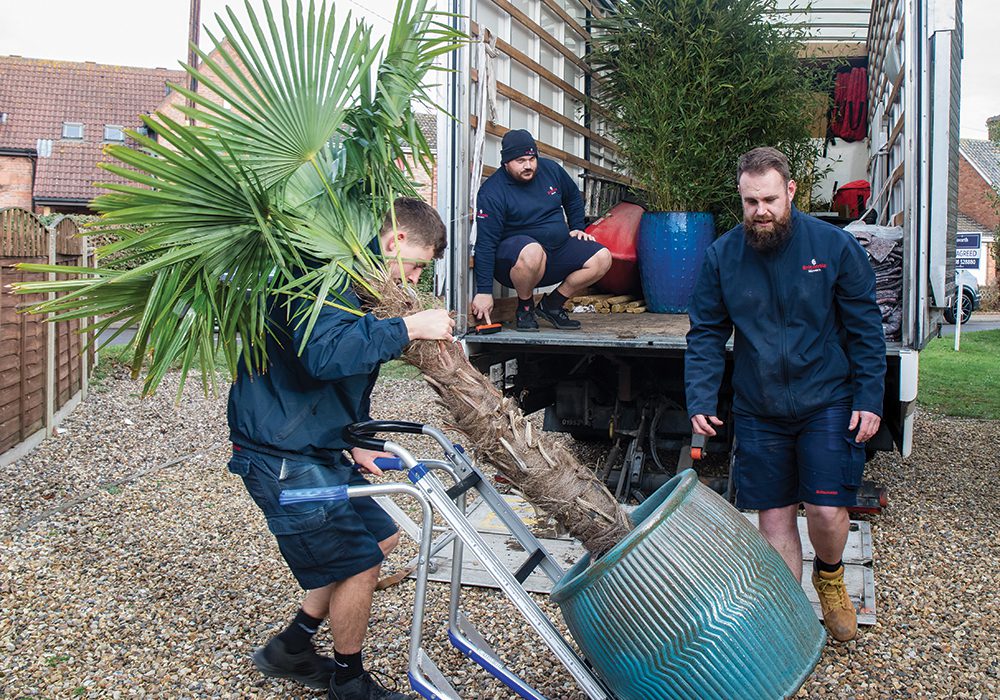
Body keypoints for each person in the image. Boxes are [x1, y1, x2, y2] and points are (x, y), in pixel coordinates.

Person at [226, 197, 453, 699]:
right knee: (356, 562)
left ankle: (292, 646)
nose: (415, 279)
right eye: (416, 266)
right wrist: (408, 327)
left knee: (382, 538)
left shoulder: (357, 281)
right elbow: (322, 358)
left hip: (319, 446)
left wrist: (359, 444)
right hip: (280, 453)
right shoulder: (321, 276)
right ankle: (350, 682)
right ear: (395, 242)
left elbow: (346, 381)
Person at [684, 147, 885, 643]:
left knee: (825, 510)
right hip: (760, 406)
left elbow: (865, 329)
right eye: (751, 202)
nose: (761, 211)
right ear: (741, 197)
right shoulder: (722, 256)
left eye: (770, 199)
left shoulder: (834, 247)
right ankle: (792, 622)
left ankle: (832, 577)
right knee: (773, 518)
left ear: (791, 191)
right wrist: (701, 398)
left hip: (827, 399)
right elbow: (706, 333)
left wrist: (870, 397)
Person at [471, 129, 612, 331]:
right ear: (506, 163)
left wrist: (577, 227)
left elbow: (572, 197)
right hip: (517, 263)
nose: (528, 165)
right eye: (520, 161)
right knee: (533, 251)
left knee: (603, 257)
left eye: (532, 158)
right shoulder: (492, 192)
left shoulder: (551, 170)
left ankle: (552, 306)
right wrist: (484, 291)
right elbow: (485, 244)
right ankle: (525, 308)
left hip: (556, 252)